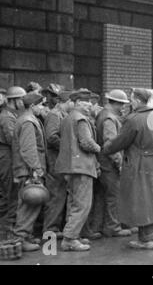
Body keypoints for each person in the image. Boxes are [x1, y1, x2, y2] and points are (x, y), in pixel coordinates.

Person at [102, 88, 153, 250]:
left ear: (139, 101)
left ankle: (146, 239)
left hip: (140, 163)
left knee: (143, 199)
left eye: (132, 99)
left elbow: (120, 141)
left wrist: (105, 148)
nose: (131, 103)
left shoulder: (133, 119)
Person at [55, 89, 100, 251]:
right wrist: (100, 148)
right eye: (87, 103)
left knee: (73, 203)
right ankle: (70, 239)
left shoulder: (67, 118)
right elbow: (86, 143)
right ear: (79, 103)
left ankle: (73, 234)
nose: (90, 106)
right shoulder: (81, 119)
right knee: (82, 204)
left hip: (69, 166)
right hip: (81, 167)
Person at [91, 89, 132, 237]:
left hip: (103, 163)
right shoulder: (109, 118)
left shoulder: (104, 114)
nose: (123, 108)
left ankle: (97, 227)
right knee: (113, 197)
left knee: (102, 196)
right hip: (109, 164)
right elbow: (111, 145)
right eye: (122, 104)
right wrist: (119, 163)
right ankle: (113, 227)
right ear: (117, 103)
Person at [11, 93, 47, 252]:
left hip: (27, 169)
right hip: (29, 170)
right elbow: (28, 149)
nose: (43, 108)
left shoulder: (26, 119)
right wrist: (37, 170)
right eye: (41, 105)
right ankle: (20, 238)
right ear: (33, 106)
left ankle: (25, 235)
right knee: (29, 204)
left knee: (30, 204)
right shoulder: (28, 122)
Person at [0, 86, 26, 232]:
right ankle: (12, 226)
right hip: (7, 157)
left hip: (5, 157)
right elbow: (13, 141)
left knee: (8, 192)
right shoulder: (7, 118)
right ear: (14, 100)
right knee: (13, 193)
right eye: (21, 99)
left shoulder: (9, 115)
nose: (22, 102)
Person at [42, 90, 73, 239]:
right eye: (72, 102)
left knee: (60, 194)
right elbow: (51, 137)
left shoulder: (62, 115)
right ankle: (50, 231)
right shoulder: (54, 115)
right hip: (55, 161)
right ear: (65, 102)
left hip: (60, 160)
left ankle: (55, 228)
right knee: (55, 195)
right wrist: (69, 145)